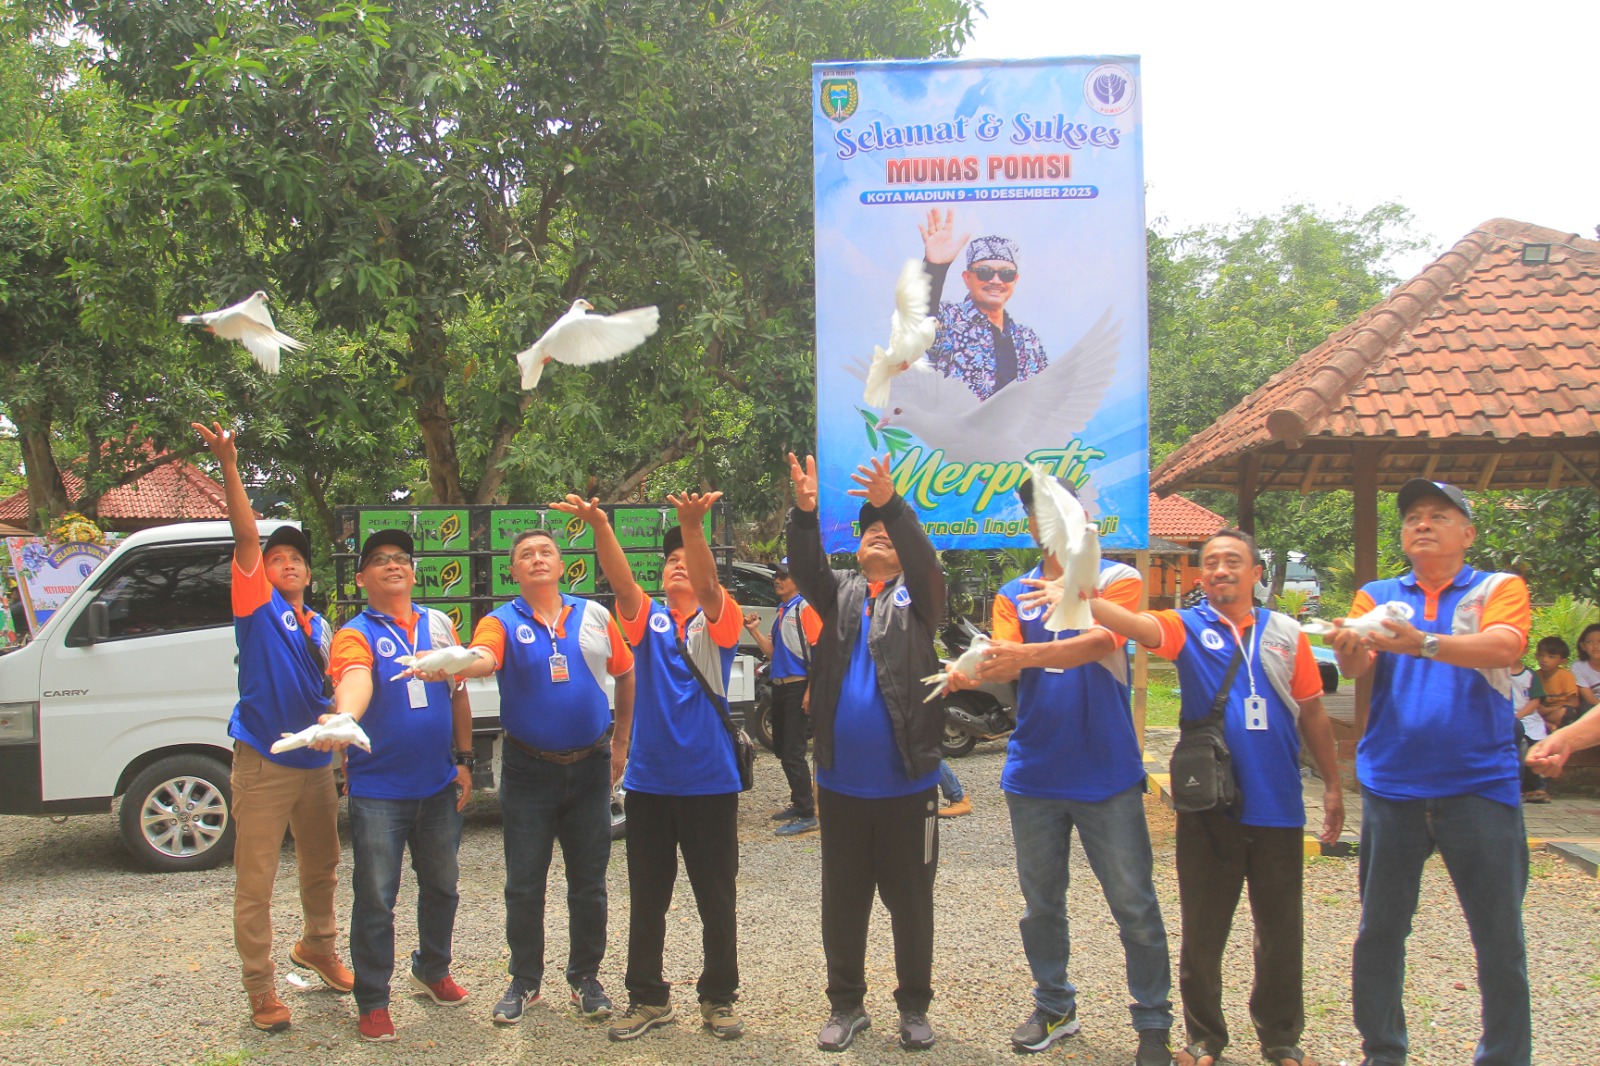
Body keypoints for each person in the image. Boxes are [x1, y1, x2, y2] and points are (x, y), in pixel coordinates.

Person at [1090, 528, 1344, 1066]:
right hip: (1210, 807)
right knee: (1204, 930)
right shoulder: (1186, 626)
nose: (1221, 570)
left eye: (1233, 561)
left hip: (1278, 806)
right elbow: (1133, 624)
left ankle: (1280, 1038)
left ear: (1256, 573)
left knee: (1280, 931)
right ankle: (1205, 1037)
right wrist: (1084, 595)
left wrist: (1336, 787)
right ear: (1200, 576)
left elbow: (1315, 715)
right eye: (1210, 563)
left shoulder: (1287, 634)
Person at [946, 473, 1173, 1063]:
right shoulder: (1011, 593)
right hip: (1035, 773)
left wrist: (1023, 655)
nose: (1046, 520)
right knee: (1041, 904)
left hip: (1108, 774)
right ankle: (1055, 1005)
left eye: (1057, 507)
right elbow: (1000, 660)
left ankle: (1152, 1020)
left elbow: (1101, 644)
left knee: (1134, 904)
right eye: (1036, 511)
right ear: (1030, 523)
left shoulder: (1116, 579)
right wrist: (972, 667)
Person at [1328, 479, 1531, 1066]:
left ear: (1466, 533)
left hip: (1480, 787)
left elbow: (1503, 649)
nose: (1422, 524)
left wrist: (1424, 644)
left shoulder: (1498, 588)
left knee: (1498, 938)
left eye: (1438, 516)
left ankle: (1505, 1056)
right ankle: (1383, 1051)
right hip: (1393, 784)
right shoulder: (1377, 594)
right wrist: (1347, 648)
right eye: (1413, 516)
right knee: (1380, 933)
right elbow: (1360, 660)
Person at [552, 492, 746, 1043]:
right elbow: (620, 584)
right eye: (669, 561)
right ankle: (647, 997)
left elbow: (709, 587)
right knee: (648, 898)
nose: (677, 565)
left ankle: (718, 997)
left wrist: (691, 529)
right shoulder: (647, 623)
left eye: (685, 557)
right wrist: (601, 526)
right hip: (650, 785)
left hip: (710, 785)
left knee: (716, 896)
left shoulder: (717, 624)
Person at [190, 421, 351, 1034]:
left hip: (314, 764)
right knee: (255, 880)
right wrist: (229, 465)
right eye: (276, 557)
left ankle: (319, 948)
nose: (285, 564)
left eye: (296, 560)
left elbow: (335, 689)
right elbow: (244, 534)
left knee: (322, 867)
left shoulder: (321, 629)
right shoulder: (257, 608)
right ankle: (260, 989)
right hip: (262, 760)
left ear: (309, 574)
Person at [786, 452, 948, 1053]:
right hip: (841, 785)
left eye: (887, 531)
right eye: (868, 531)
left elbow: (926, 562)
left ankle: (913, 1008)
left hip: (908, 785)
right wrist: (804, 515)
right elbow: (806, 569)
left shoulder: (923, 598)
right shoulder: (839, 596)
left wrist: (891, 503)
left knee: (911, 902)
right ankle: (847, 1005)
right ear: (854, 551)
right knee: (844, 899)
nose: (876, 533)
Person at [451, 527, 636, 1025]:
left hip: (592, 766)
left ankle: (585, 978)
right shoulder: (501, 620)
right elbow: (485, 655)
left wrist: (620, 741)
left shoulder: (594, 615)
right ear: (513, 570)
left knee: (589, 882)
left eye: (546, 552)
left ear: (562, 564)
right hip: (529, 769)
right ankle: (524, 980)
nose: (537, 559)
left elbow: (625, 671)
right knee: (524, 883)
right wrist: (461, 663)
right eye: (526, 555)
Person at [324, 529, 475, 1043]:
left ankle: (431, 970)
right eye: (380, 560)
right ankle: (372, 1000)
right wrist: (345, 717)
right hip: (379, 792)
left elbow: (457, 693)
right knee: (376, 899)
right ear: (363, 577)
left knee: (443, 887)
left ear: (413, 573)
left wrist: (464, 760)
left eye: (402, 559)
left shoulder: (438, 625)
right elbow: (355, 677)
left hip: (437, 785)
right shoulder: (355, 632)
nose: (393, 565)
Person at [917, 208, 1048, 400]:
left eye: (1006, 274)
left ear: (1015, 280)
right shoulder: (948, 319)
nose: (996, 280)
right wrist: (934, 267)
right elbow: (916, 315)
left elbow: (1046, 396)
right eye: (985, 272)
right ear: (967, 278)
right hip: (958, 429)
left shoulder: (1028, 340)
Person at [742, 559, 822, 837]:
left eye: (784, 576)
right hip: (781, 686)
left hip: (799, 686)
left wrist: (811, 690)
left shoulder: (805, 608)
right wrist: (753, 631)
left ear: (798, 581)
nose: (778, 579)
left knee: (794, 751)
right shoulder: (782, 610)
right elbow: (774, 653)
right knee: (782, 749)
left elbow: (819, 651)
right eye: (776, 575)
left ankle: (806, 812)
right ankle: (799, 802)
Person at [1511, 658, 1548, 803]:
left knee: (1541, 746)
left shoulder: (1530, 675)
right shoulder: (1496, 672)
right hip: (1507, 718)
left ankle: (1541, 788)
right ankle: (1516, 788)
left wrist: (1519, 716)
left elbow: (1535, 701)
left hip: (1529, 718)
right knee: (1521, 746)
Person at [1529, 636, 1579, 732]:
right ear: (1536, 656)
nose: (1544, 660)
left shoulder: (1565, 676)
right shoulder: (1535, 676)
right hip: (1541, 710)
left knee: (1566, 713)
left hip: (1559, 710)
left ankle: (1544, 723)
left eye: (1551, 657)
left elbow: (1574, 702)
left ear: (1562, 661)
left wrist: (1548, 710)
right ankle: (1546, 724)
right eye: (1541, 655)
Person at [1572, 623, 1600, 715]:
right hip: (1594, 707)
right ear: (1583, 646)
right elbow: (1590, 699)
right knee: (1585, 708)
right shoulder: (1578, 667)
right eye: (1590, 642)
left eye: (1599, 641)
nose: (1595, 646)